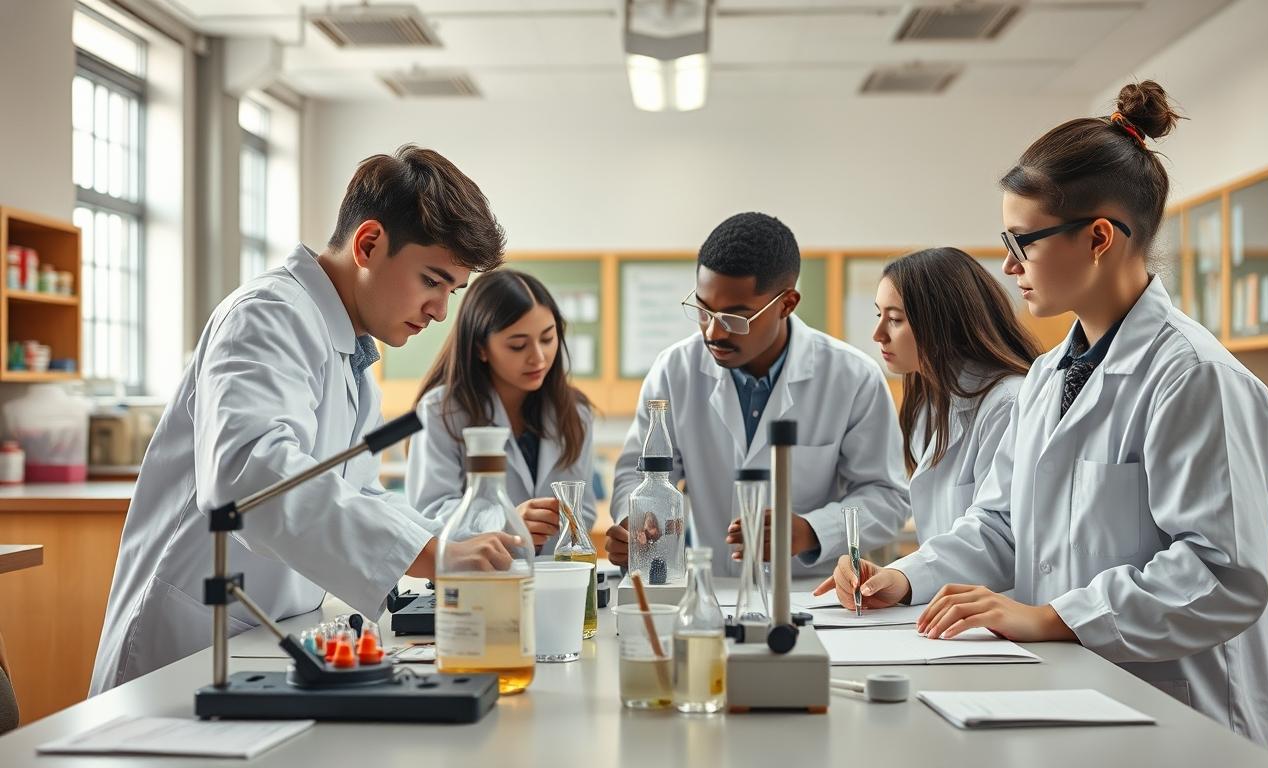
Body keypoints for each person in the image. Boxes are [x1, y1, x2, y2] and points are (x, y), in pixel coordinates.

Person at [824, 82, 1268, 748]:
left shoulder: (1194, 377)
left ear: (1098, 238)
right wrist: (904, 576)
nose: (1008, 266)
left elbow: (1221, 577)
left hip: (1179, 722)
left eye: (1023, 243)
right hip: (1073, 692)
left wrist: (1056, 617)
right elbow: (1001, 523)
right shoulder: (1046, 377)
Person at [91, 145, 519, 694]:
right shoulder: (268, 315)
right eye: (432, 281)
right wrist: (432, 554)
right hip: (186, 649)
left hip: (261, 639)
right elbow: (249, 477)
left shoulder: (354, 356)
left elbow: (358, 494)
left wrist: (455, 540)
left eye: (452, 292)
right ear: (368, 244)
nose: (441, 311)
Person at [606, 212, 908, 577]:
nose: (713, 333)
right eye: (703, 310)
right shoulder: (675, 371)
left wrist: (811, 530)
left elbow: (886, 497)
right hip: (714, 585)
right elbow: (638, 472)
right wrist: (637, 518)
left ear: (787, 304)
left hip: (808, 592)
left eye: (735, 318)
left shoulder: (852, 377)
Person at [407, 270, 597, 552]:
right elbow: (429, 514)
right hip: (479, 580)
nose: (538, 357)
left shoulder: (574, 411)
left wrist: (559, 524)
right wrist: (504, 522)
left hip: (555, 576)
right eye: (518, 345)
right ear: (481, 348)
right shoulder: (440, 412)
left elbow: (585, 511)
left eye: (547, 339)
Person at [869, 247, 1038, 543]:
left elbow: (995, 536)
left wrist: (906, 576)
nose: (878, 333)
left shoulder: (1007, 403)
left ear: (941, 322)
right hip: (944, 586)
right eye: (878, 314)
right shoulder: (929, 404)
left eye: (894, 319)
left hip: (996, 590)